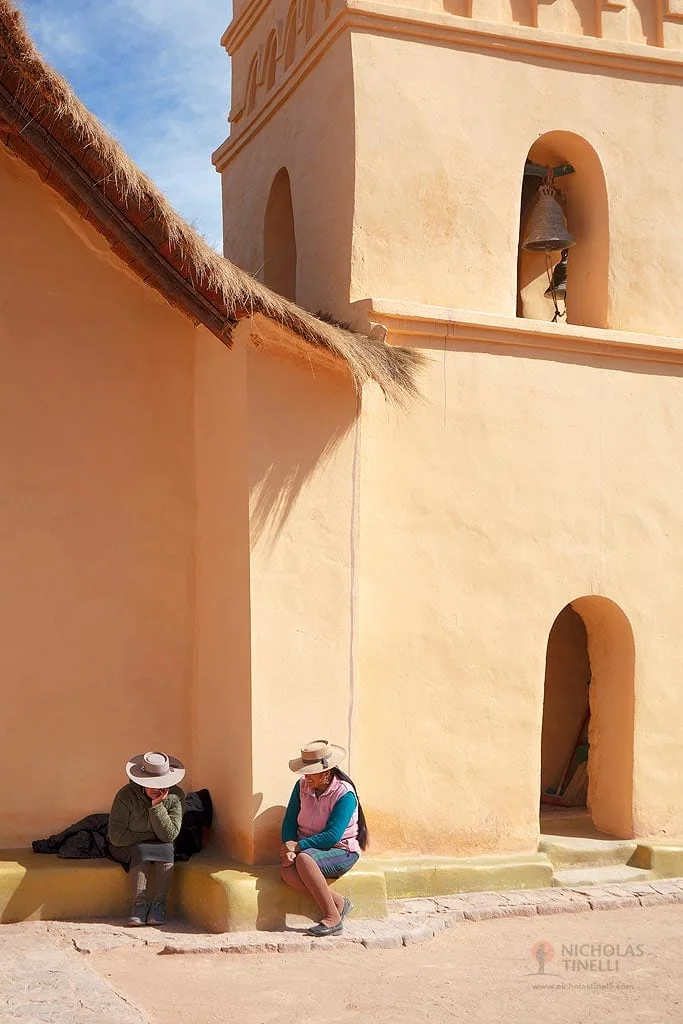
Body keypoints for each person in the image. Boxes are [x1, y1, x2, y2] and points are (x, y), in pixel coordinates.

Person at [280, 739, 368, 937]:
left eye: (310, 773)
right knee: (287, 872)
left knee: (304, 860)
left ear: (326, 773)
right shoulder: (301, 786)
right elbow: (290, 821)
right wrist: (288, 847)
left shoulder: (345, 794)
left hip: (341, 850)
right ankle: (339, 902)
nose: (306, 777)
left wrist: (298, 847)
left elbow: (332, 836)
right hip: (308, 849)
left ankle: (332, 918)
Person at [108, 750, 185, 927]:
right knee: (142, 849)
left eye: (160, 784)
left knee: (167, 848)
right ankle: (139, 906)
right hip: (126, 845)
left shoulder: (176, 796)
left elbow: (170, 835)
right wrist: (152, 835)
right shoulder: (126, 795)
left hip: (161, 845)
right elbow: (116, 836)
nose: (155, 789)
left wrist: (157, 807)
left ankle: (158, 906)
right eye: (150, 784)